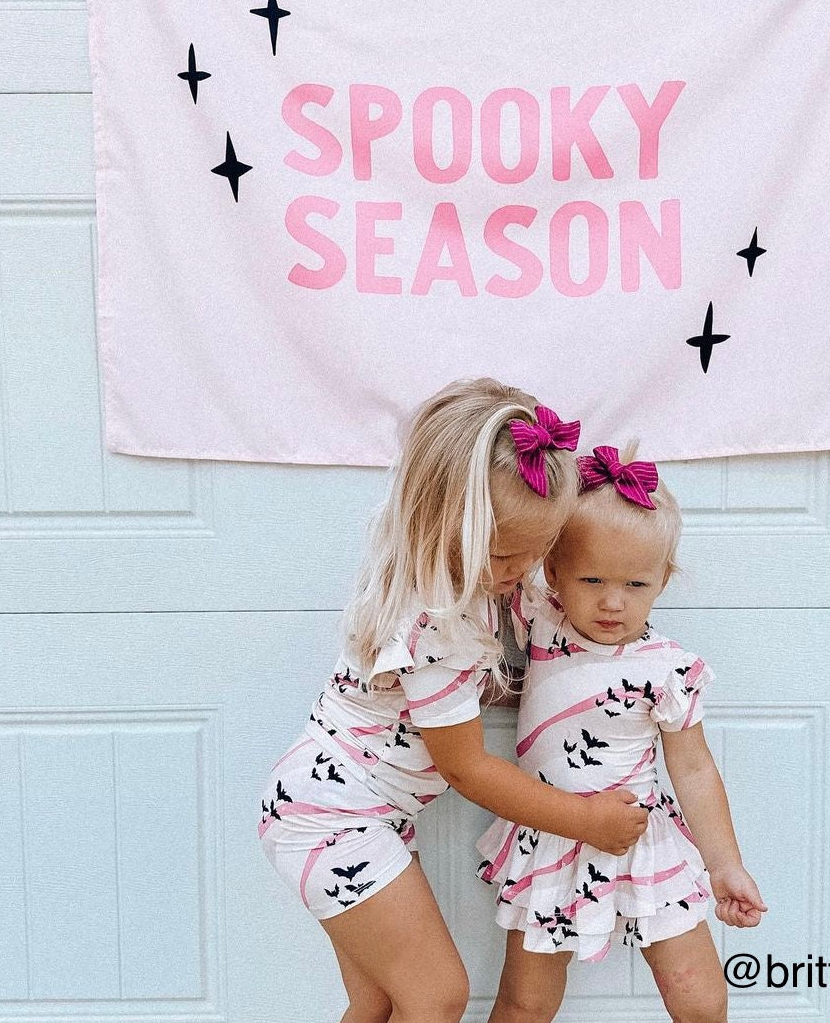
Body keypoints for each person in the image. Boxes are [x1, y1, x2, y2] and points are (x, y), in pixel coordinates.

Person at [258, 380, 650, 1023]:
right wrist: (586, 821)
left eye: (539, 551)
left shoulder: (457, 576)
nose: (521, 570)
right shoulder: (434, 622)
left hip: (349, 810)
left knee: (377, 1000)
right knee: (437, 995)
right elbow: (468, 768)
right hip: (330, 816)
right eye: (505, 554)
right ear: (440, 521)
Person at [476, 444, 766, 1023]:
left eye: (636, 584)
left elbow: (694, 769)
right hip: (552, 831)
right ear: (553, 572)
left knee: (700, 999)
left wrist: (725, 865)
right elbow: (491, 552)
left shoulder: (668, 669)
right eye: (591, 579)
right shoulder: (541, 618)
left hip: (642, 839)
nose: (612, 602)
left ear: (662, 581)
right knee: (525, 1002)